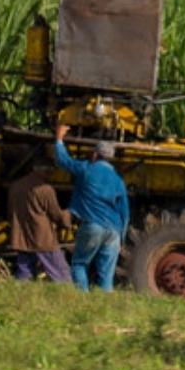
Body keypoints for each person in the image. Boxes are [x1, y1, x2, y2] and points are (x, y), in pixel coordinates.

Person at [53, 124, 130, 292]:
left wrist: (59, 138)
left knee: (79, 263)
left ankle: (83, 300)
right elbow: (124, 212)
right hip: (114, 232)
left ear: (95, 154)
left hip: (93, 226)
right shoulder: (118, 180)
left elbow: (63, 161)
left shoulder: (86, 169)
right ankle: (104, 308)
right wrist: (121, 239)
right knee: (106, 275)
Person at [6, 152, 73, 284]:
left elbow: (10, 211)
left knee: (24, 272)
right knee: (60, 273)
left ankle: (20, 295)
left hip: (21, 236)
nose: (51, 175)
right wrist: (67, 217)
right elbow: (55, 214)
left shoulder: (15, 186)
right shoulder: (45, 189)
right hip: (42, 237)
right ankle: (67, 296)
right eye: (50, 171)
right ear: (46, 171)